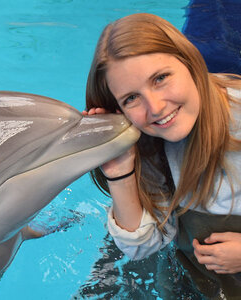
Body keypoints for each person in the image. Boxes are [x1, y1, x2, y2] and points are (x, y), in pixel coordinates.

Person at [83, 13, 241, 298]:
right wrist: (120, 168)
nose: (155, 108)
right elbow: (143, 246)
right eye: (131, 98)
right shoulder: (150, 142)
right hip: (196, 280)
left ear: (189, 61)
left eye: (161, 78)